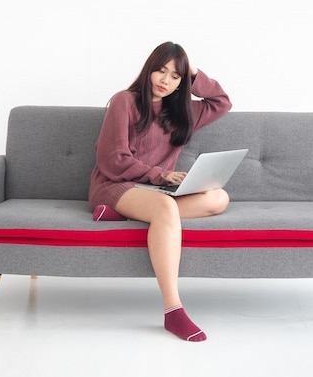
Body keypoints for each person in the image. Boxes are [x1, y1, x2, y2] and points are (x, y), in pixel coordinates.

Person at [88, 41, 232, 341]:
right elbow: (113, 159)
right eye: (161, 71)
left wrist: (193, 72)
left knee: (219, 197)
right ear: (149, 69)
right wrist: (161, 175)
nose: (165, 81)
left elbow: (221, 102)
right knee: (165, 209)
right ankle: (173, 310)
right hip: (116, 184)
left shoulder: (181, 112)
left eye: (175, 76)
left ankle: (123, 216)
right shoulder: (124, 101)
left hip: (155, 191)